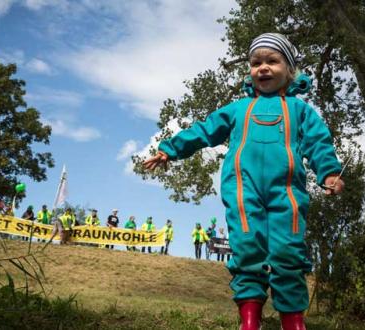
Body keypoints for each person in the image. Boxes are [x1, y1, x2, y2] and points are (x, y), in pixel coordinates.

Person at [144, 33, 344, 330]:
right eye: (256, 62)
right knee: (247, 248)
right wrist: (170, 150)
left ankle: (293, 320)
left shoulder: (301, 111)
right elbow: (204, 130)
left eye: (272, 61)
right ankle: (249, 318)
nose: (263, 67)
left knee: (287, 251)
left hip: (287, 193)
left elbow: (319, 144)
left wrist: (329, 172)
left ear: (290, 70)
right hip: (243, 191)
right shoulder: (237, 109)